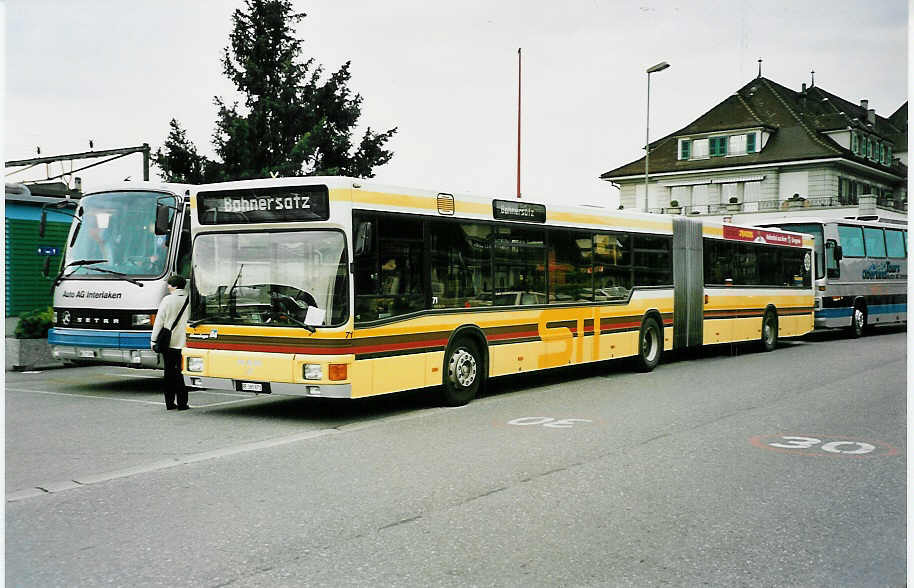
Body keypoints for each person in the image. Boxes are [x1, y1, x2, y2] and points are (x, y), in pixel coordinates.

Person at [151, 275, 190, 410]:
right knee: (181, 373)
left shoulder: (167, 300)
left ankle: (169, 402)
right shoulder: (189, 300)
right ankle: (182, 403)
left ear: (174, 286)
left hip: (169, 343)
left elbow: (159, 322)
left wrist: (153, 340)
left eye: (169, 284)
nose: (168, 287)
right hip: (185, 343)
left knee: (169, 373)